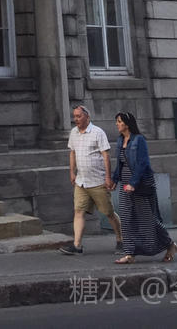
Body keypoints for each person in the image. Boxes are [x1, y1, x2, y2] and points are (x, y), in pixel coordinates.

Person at [112, 110, 177, 264]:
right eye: (117, 121)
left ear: (127, 124)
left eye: (120, 121)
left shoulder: (139, 140)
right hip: (125, 185)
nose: (117, 124)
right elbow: (120, 163)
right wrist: (114, 179)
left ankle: (170, 244)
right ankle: (129, 254)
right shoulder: (120, 140)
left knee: (148, 219)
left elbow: (143, 163)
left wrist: (133, 183)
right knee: (126, 219)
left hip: (140, 184)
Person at [60, 104, 124, 255]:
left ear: (87, 117)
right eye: (74, 116)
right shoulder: (74, 133)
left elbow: (106, 155)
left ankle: (121, 240)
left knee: (109, 213)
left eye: (79, 116)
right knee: (78, 211)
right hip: (81, 181)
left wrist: (108, 177)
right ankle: (77, 245)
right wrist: (72, 172)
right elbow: (72, 152)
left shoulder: (97, 132)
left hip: (98, 181)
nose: (76, 119)